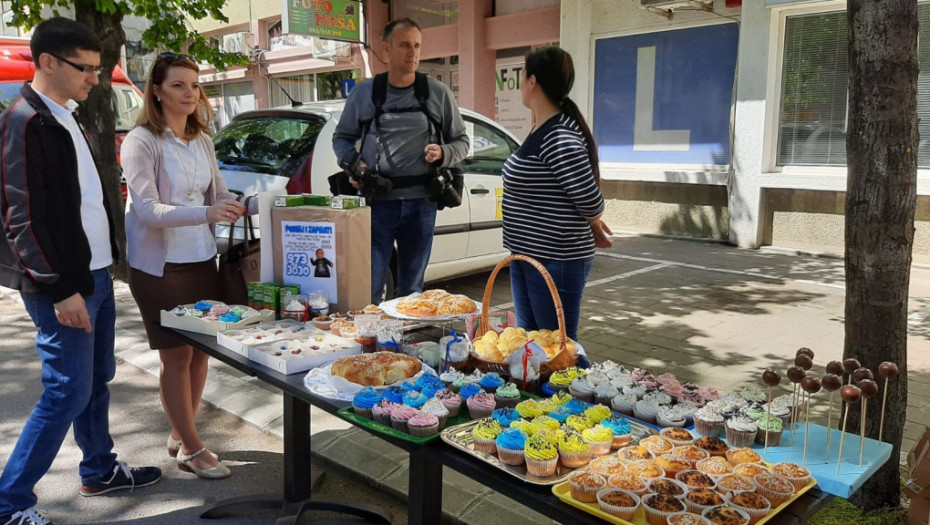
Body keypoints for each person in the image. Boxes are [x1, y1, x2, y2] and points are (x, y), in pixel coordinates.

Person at [0, 18, 162, 525]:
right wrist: (60, 289)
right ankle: (9, 502)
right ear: (48, 62)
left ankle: (99, 470)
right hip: (65, 285)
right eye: (85, 68)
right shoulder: (24, 120)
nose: (95, 78)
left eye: (97, 68)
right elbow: (21, 216)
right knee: (67, 389)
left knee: (95, 381)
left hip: (95, 275)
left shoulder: (63, 114)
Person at [121, 52, 255, 480]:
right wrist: (207, 214)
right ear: (156, 91)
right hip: (160, 267)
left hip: (202, 259)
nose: (188, 94)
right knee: (175, 357)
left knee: (201, 355)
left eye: (194, 85)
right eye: (177, 85)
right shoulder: (142, 140)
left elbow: (218, 191)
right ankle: (192, 449)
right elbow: (147, 210)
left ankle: (182, 431)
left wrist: (245, 204)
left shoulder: (202, 140)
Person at [333, 18, 469, 303]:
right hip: (377, 204)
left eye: (417, 45)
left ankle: (403, 344)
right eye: (405, 45)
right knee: (368, 287)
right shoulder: (365, 93)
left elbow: (462, 142)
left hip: (422, 204)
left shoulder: (437, 93)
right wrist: (355, 165)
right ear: (386, 49)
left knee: (411, 293)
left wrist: (444, 153)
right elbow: (341, 139)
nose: (413, 52)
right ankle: (369, 345)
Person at [501, 46, 613, 351]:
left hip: (556, 259)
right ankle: (541, 399)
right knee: (532, 347)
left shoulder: (559, 137)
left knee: (557, 349)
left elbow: (591, 202)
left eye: (522, 76)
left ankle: (580, 393)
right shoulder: (542, 129)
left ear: (532, 81)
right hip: (529, 255)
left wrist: (594, 222)